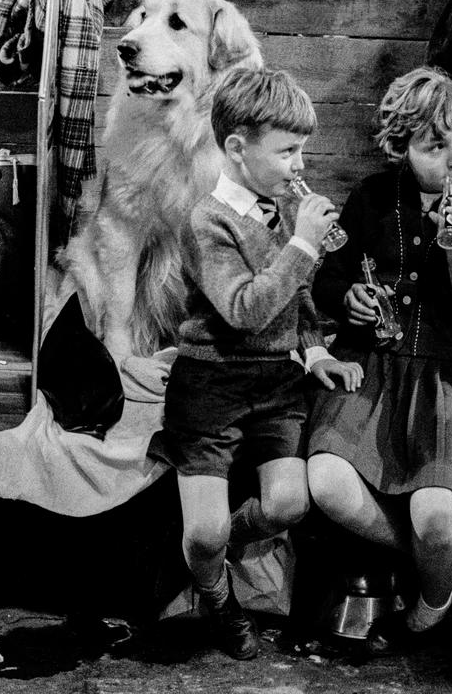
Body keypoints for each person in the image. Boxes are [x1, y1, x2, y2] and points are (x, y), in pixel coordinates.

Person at [153, 67, 363, 660]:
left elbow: (293, 299)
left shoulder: (277, 207)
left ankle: (211, 553)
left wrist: (316, 347)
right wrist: (301, 245)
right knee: (207, 529)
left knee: (288, 504)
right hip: (209, 385)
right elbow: (245, 309)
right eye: (289, 151)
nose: (301, 164)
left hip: (276, 382)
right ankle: (215, 587)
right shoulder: (207, 221)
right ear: (238, 150)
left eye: (304, 150)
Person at [306, 66, 452, 637]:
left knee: (439, 519)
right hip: (366, 368)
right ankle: (424, 558)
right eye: (435, 145)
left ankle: (434, 599)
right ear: (401, 148)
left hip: (447, 378)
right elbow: (327, 280)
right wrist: (349, 298)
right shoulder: (372, 198)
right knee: (325, 481)